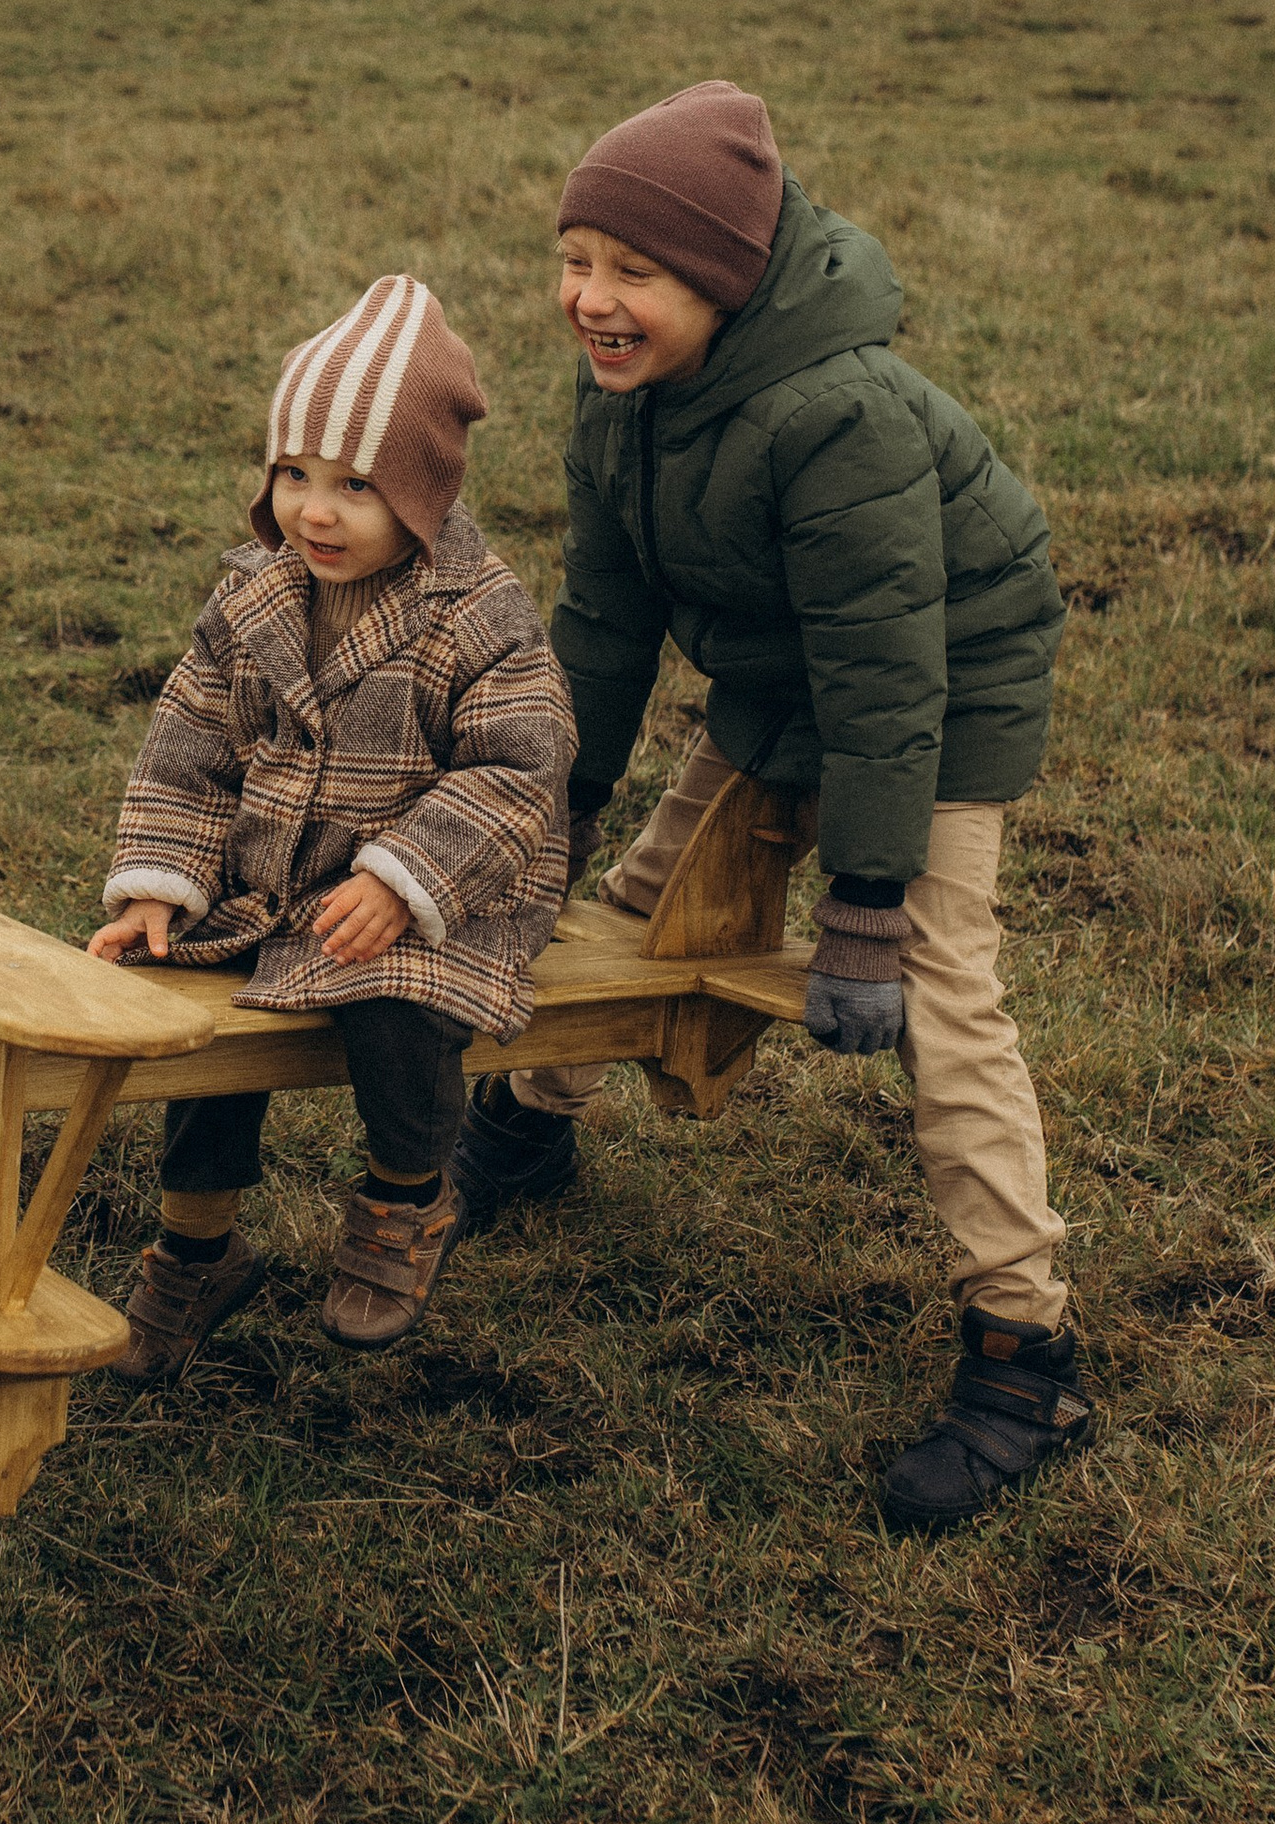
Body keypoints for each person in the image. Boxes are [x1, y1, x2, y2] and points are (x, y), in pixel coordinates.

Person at [448, 81, 1089, 1531]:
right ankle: (527, 1130)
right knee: (640, 904)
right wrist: (551, 815)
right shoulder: (622, 392)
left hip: (941, 685)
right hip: (782, 671)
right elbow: (603, 622)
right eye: (574, 258)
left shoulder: (837, 415)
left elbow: (886, 669)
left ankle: (1024, 1354)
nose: (589, 299)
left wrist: (862, 905)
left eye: (633, 271)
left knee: (942, 990)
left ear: (724, 284)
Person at [88, 275, 574, 1382]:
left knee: (401, 1003)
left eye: (358, 485)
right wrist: (162, 875)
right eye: (295, 475)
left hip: (447, 888)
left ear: (423, 493)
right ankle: (196, 1245)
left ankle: (408, 1198)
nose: (316, 511)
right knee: (195, 1014)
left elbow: (521, 764)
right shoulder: (255, 600)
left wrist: (405, 876)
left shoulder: (479, 616)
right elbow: (191, 743)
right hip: (279, 873)